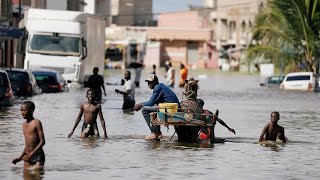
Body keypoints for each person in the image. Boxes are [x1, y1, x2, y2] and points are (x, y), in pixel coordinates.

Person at [134, 74, 179, 140]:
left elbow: (150, 103)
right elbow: (153, 103)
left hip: (170, 108)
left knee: (144, 109)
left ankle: (154, 133)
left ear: (155, 81)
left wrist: (140, 105)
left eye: (150, 82)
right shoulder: (160, 86)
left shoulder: (157, 88)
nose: (149, 84)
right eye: (148, 82)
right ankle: (158, 132)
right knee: (153, 107)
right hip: (170, 107)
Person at [12, 101, 46, 170]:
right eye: (21, 110)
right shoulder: (24, 125)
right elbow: (27, 145)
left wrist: (31, 154)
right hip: (27, 156)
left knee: (36, 172)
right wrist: (20, 157)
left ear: (31, 111)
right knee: (26, 175)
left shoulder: (36, 122)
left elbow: (42, 141)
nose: (22, 113)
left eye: (24, 110)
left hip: (37, 155)